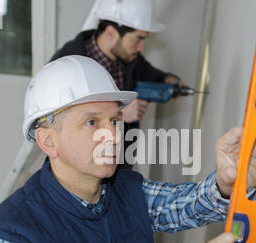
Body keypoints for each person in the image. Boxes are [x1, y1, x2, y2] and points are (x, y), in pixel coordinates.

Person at [0, 56, 256, 243]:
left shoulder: (123, 189)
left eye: (114, 120)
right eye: (91, 122)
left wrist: (230, 182)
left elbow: (187, 205)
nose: (112, 135)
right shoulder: (13, 240)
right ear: (47, 141)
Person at [50, 0, 184, 168]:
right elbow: (58, 119)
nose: (141, 47)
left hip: (117, 165)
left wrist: (171, 81)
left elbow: (152, 74)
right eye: (138, 39)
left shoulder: (129, 59)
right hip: (78, 169)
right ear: (111, 33)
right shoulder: (67, 63)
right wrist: (119, 113)